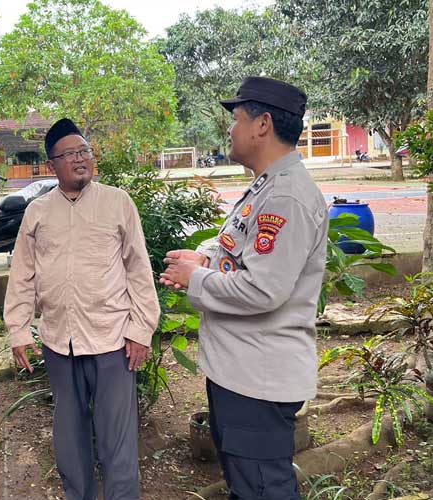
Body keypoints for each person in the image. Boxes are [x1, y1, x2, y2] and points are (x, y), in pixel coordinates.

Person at [160, 77, 328, 500]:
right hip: (240, 373)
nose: (229, 130)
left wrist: (194, 278)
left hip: (258, 380)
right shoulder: (267, 186)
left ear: (262, 124)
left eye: (235, 119)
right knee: (246, 486)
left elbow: (262, 289)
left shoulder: (286, 195)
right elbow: (240, 249)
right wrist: (205, 259)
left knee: (262, 490)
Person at [4, 118, 160, 500]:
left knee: (117, 439)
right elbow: (22, 274)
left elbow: (139, 269)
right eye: (70, 153)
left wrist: (141, 330)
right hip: (60, 342)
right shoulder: (38, 212)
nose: (80, 159)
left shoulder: (117, 202)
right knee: (70, 436)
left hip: (112, 340)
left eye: (84, 151)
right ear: (52, 164)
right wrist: (19, 330)